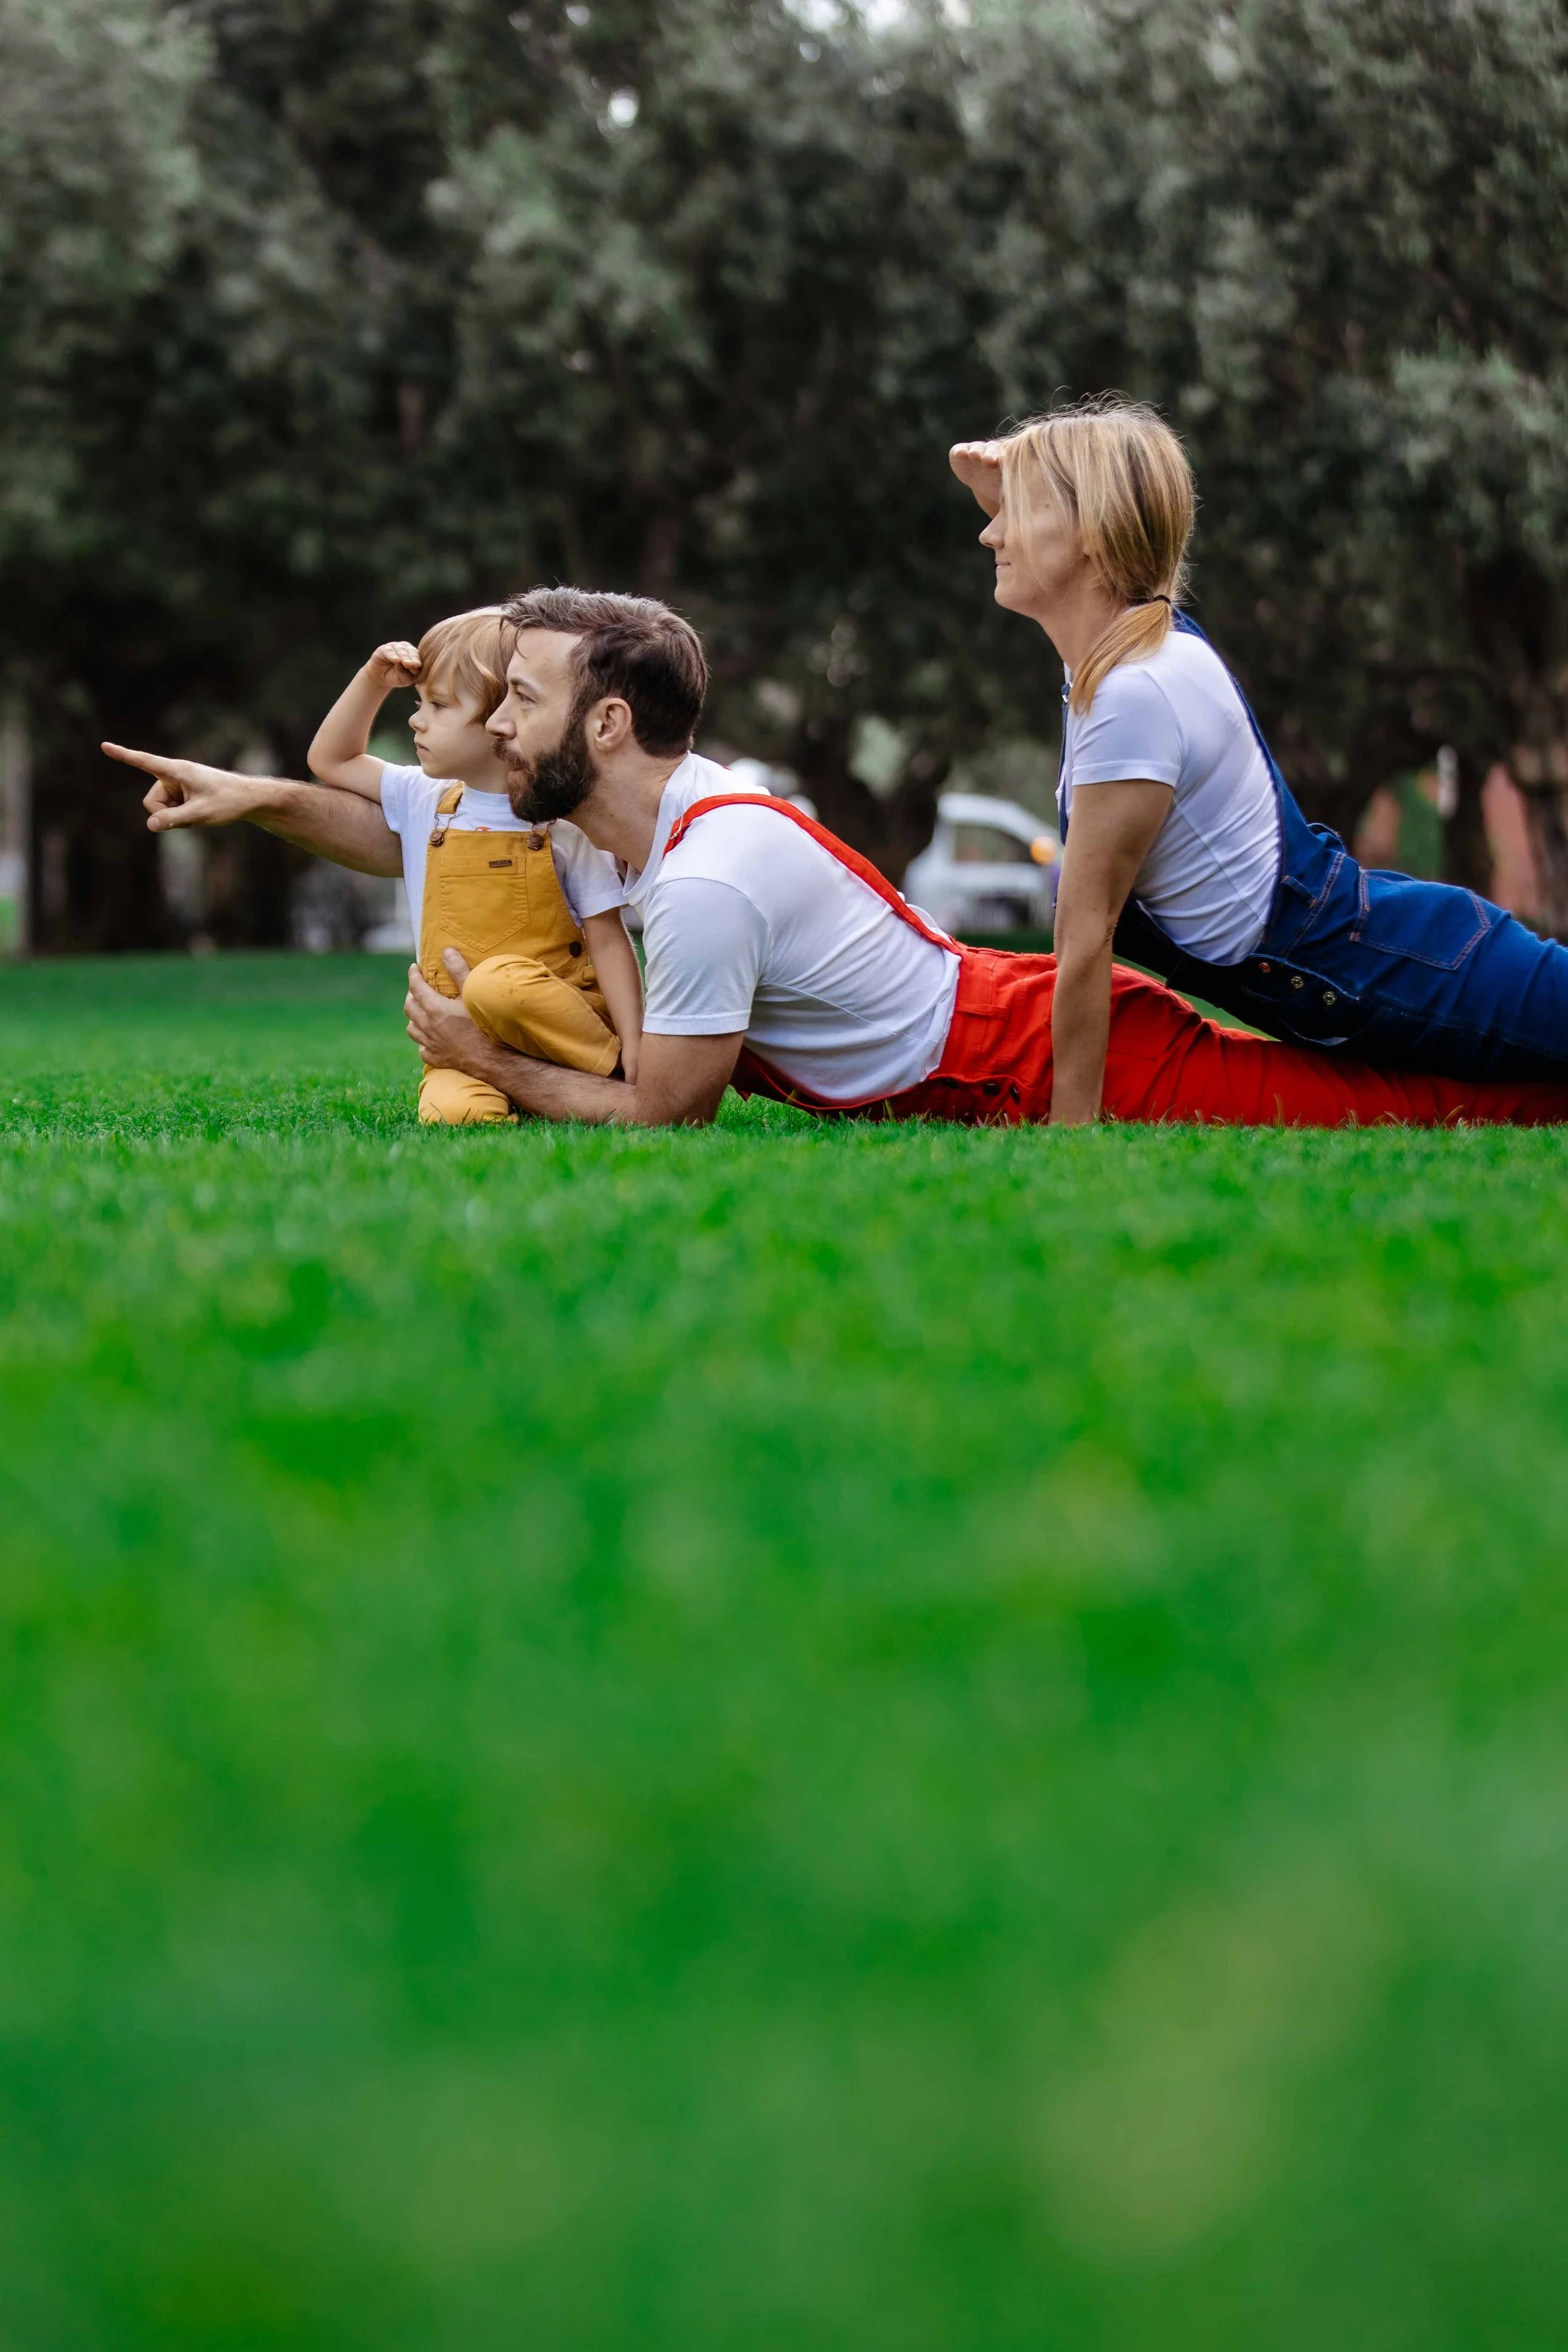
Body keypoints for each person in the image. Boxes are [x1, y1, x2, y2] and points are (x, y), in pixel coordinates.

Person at [103, 586, 1568, 1131]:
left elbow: (665, 1107)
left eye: (520, 703)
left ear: (605, 727)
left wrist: (492, 1059)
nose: (490, 724)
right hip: (1008, 1037)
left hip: (1054, 1063)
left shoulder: (694, 875)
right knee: (1389, 1090)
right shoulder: (641, 822)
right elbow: (404, 826)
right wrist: (251, 792)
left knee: (1407, 1104)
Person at [948, 396, 1568, 1123]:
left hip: (1424, 973)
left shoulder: (1136, 691)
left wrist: (1071, 1130)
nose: (991, 534)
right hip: (1392, 977)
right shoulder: (1125, 660)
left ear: (1090, 530)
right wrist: (1003, 470)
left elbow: (1083, 939)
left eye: (1013, 511)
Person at [307, 607, 642, 1123]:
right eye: (419, 702)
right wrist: (372, 681)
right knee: (453, 1118)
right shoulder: (424, 799)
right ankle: (522, 1092)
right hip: (459, 1038)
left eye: (438, 705)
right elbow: (331, 760)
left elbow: (608, 938)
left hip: (562, 1028)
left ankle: (600, 1075)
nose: (417, 719)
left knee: (494, 984)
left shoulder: (562, 824)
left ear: (502, 721)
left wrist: (636, 1052)